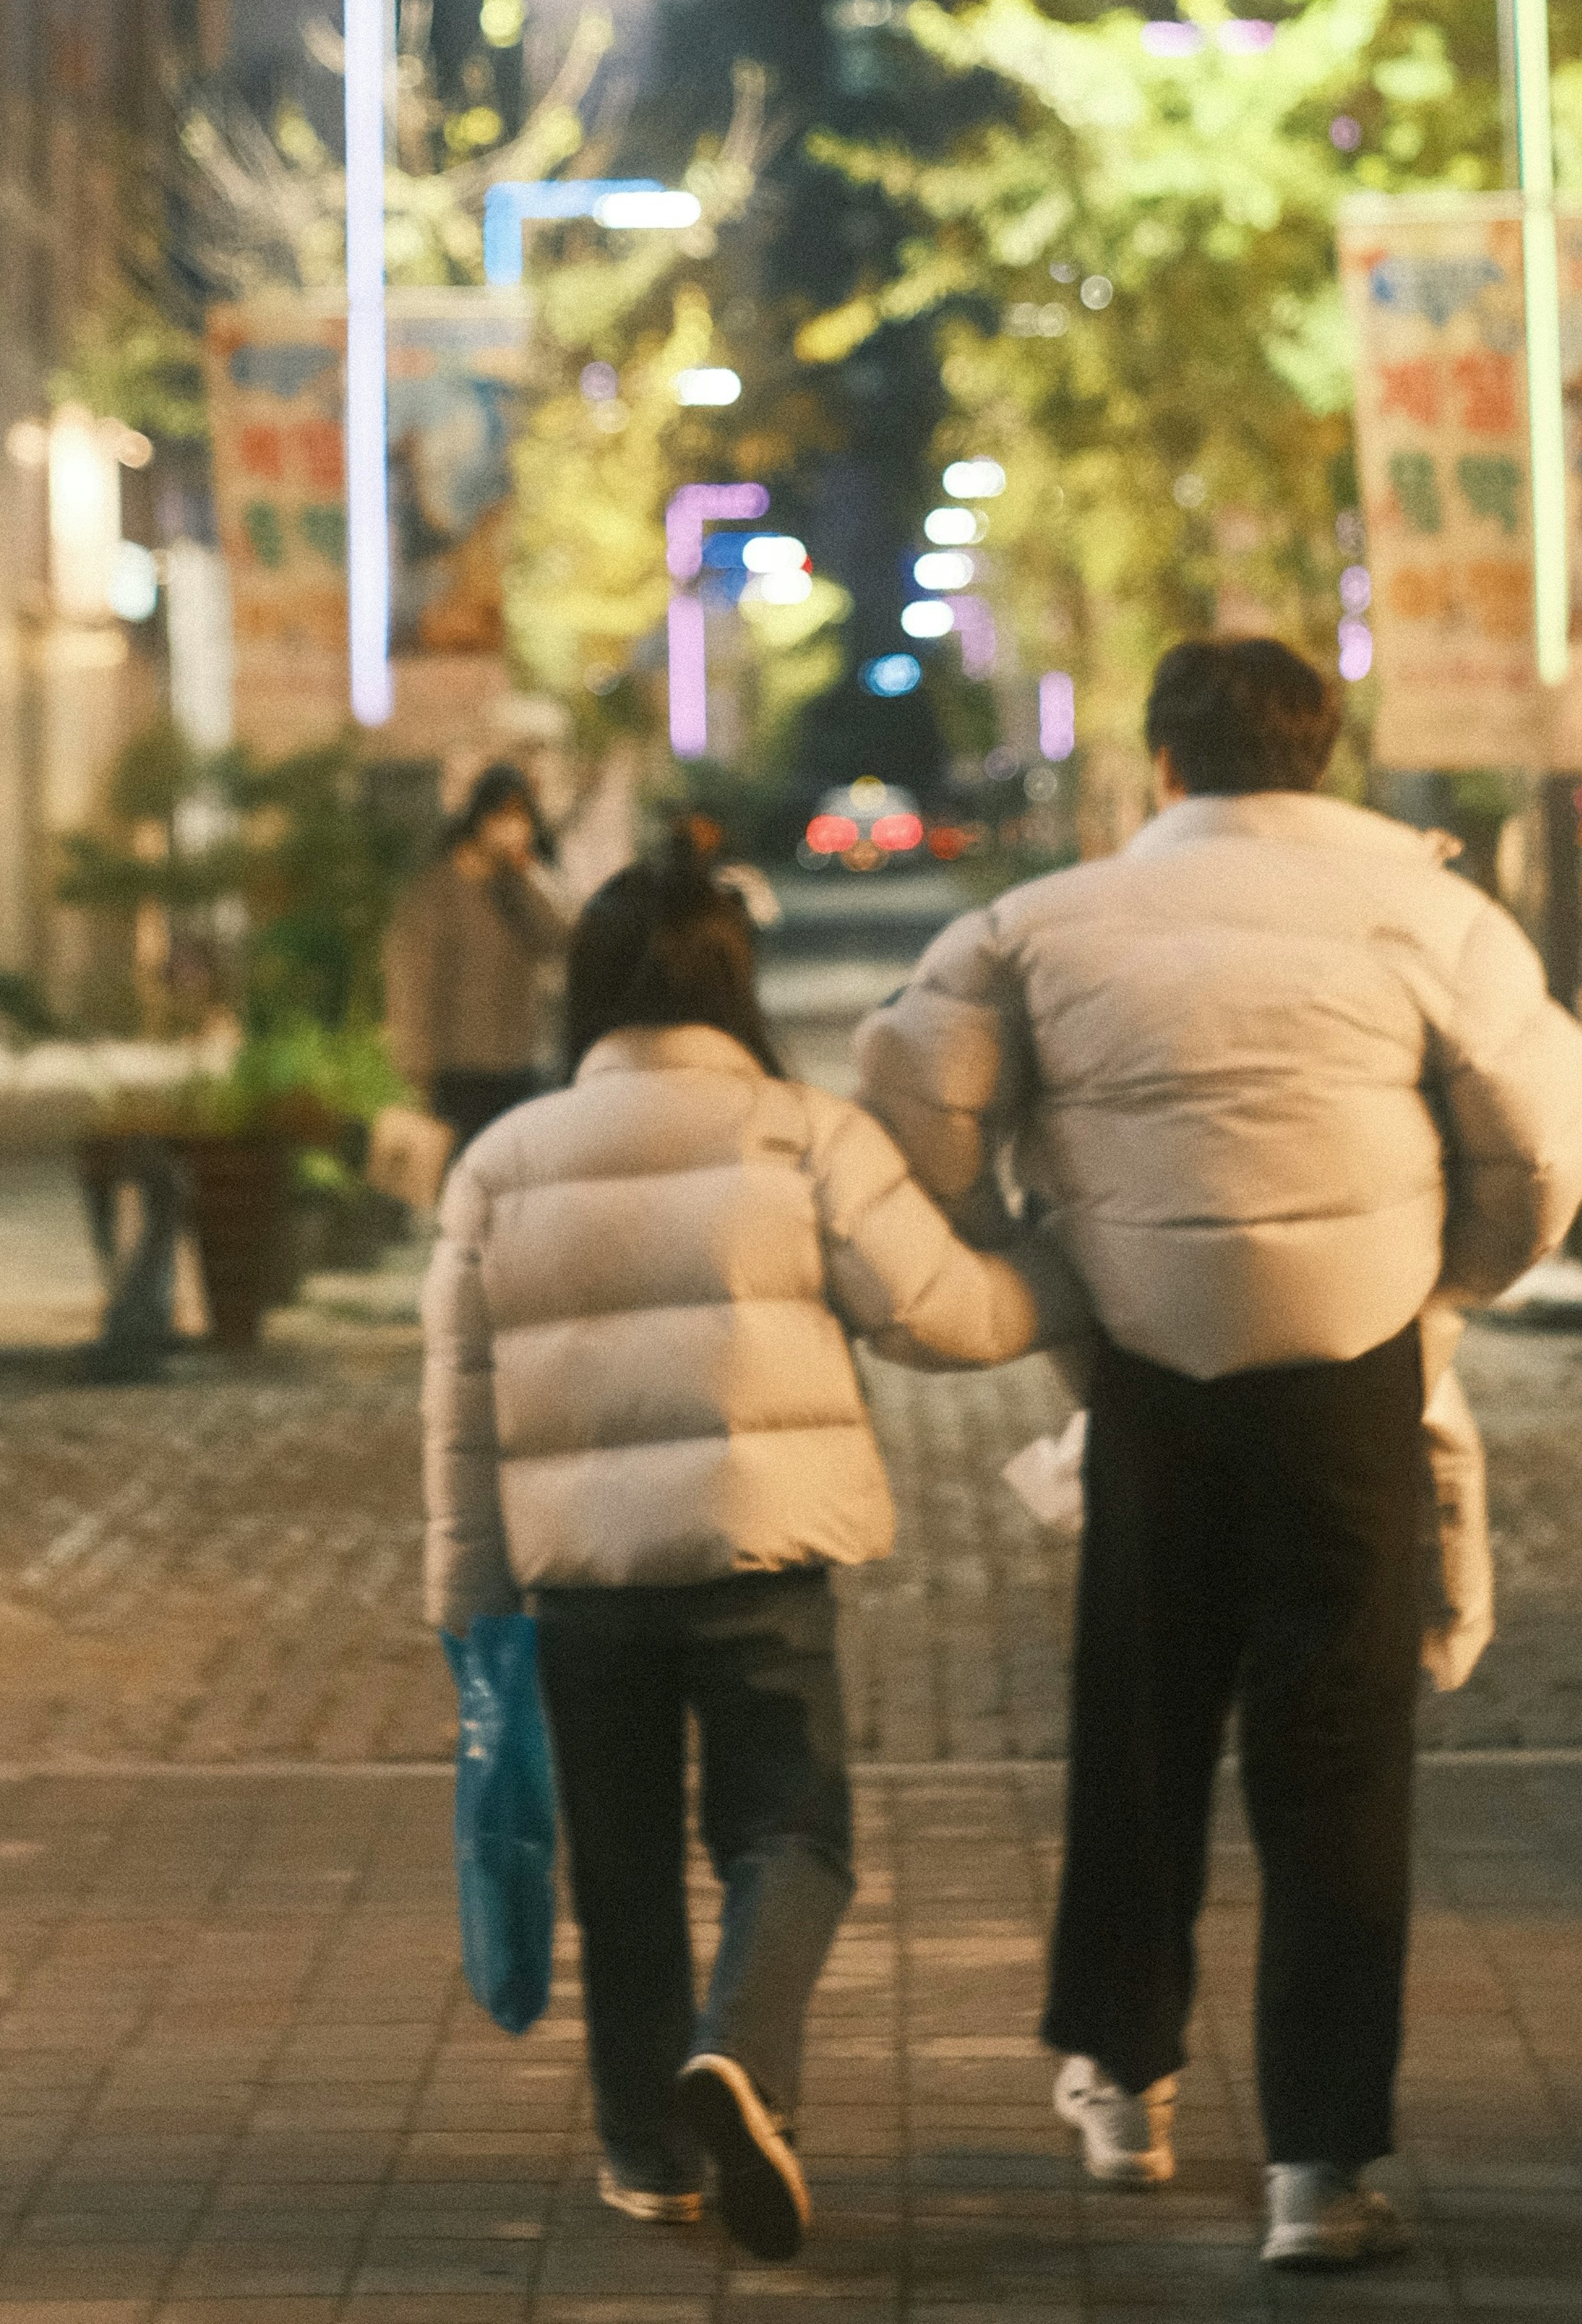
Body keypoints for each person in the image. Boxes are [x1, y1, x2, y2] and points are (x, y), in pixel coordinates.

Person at [856, 636, 1582, 2276]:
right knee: (1337, 1750)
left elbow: (910, 1105)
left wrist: (1043, 1264)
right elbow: (1541, 1138)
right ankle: (1319, 2166)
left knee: (1137, 1718)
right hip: (1350, 1374)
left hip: (1145, 1371)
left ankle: (1124, 2082)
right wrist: (1441, 1273)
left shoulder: (1038, 924)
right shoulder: (1431, 915)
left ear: (1162, 766)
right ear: (1321, 754)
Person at [421, 845, 1073, 2260]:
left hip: (582, 1587)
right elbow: (940, 1312)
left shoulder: (503, 1163)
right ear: (737, 984)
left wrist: (468, 1605)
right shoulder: (804, 1135)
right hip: (760, 1565)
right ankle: (742, 2055)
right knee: (794, 1833)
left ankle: (649, 2157)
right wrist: (1071, 1279)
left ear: (587, 991)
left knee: (628, 1868)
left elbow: (460, 1411)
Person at [385, 761, 573, 1153]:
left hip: (519, 1061)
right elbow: (413, 980)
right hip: (458, 1067)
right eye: (503, 814)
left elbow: (560, 939)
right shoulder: (440, 888)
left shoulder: (520, 885)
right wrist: (416, 1065)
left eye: (522, 816)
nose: (513, 826)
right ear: (481, 817)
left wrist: (525, 874)